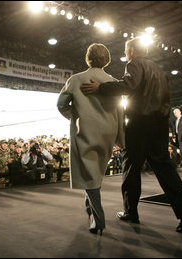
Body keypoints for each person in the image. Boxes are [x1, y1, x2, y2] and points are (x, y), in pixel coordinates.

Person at [80, 38, 182, 232]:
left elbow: (129, 85)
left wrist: (101, 88)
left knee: (131, 168)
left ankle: (130, 212)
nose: (126, 54)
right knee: (165, 169)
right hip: (160, 124)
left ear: (132, 50)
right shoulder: (159, 70)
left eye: (126, 50)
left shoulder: (134, 63)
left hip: (140, 124)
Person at [57, 43, 125, 235]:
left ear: (88, 57)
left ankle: (99, 218)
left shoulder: (76, 79)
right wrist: (120, 137)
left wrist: (75, 116)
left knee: (89, 174)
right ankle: (90, 209)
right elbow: (121, 112)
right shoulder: (113, 81)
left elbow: (61, 104)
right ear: (107, 59)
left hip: (85, 131)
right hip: (108, 133)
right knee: (95, 173)